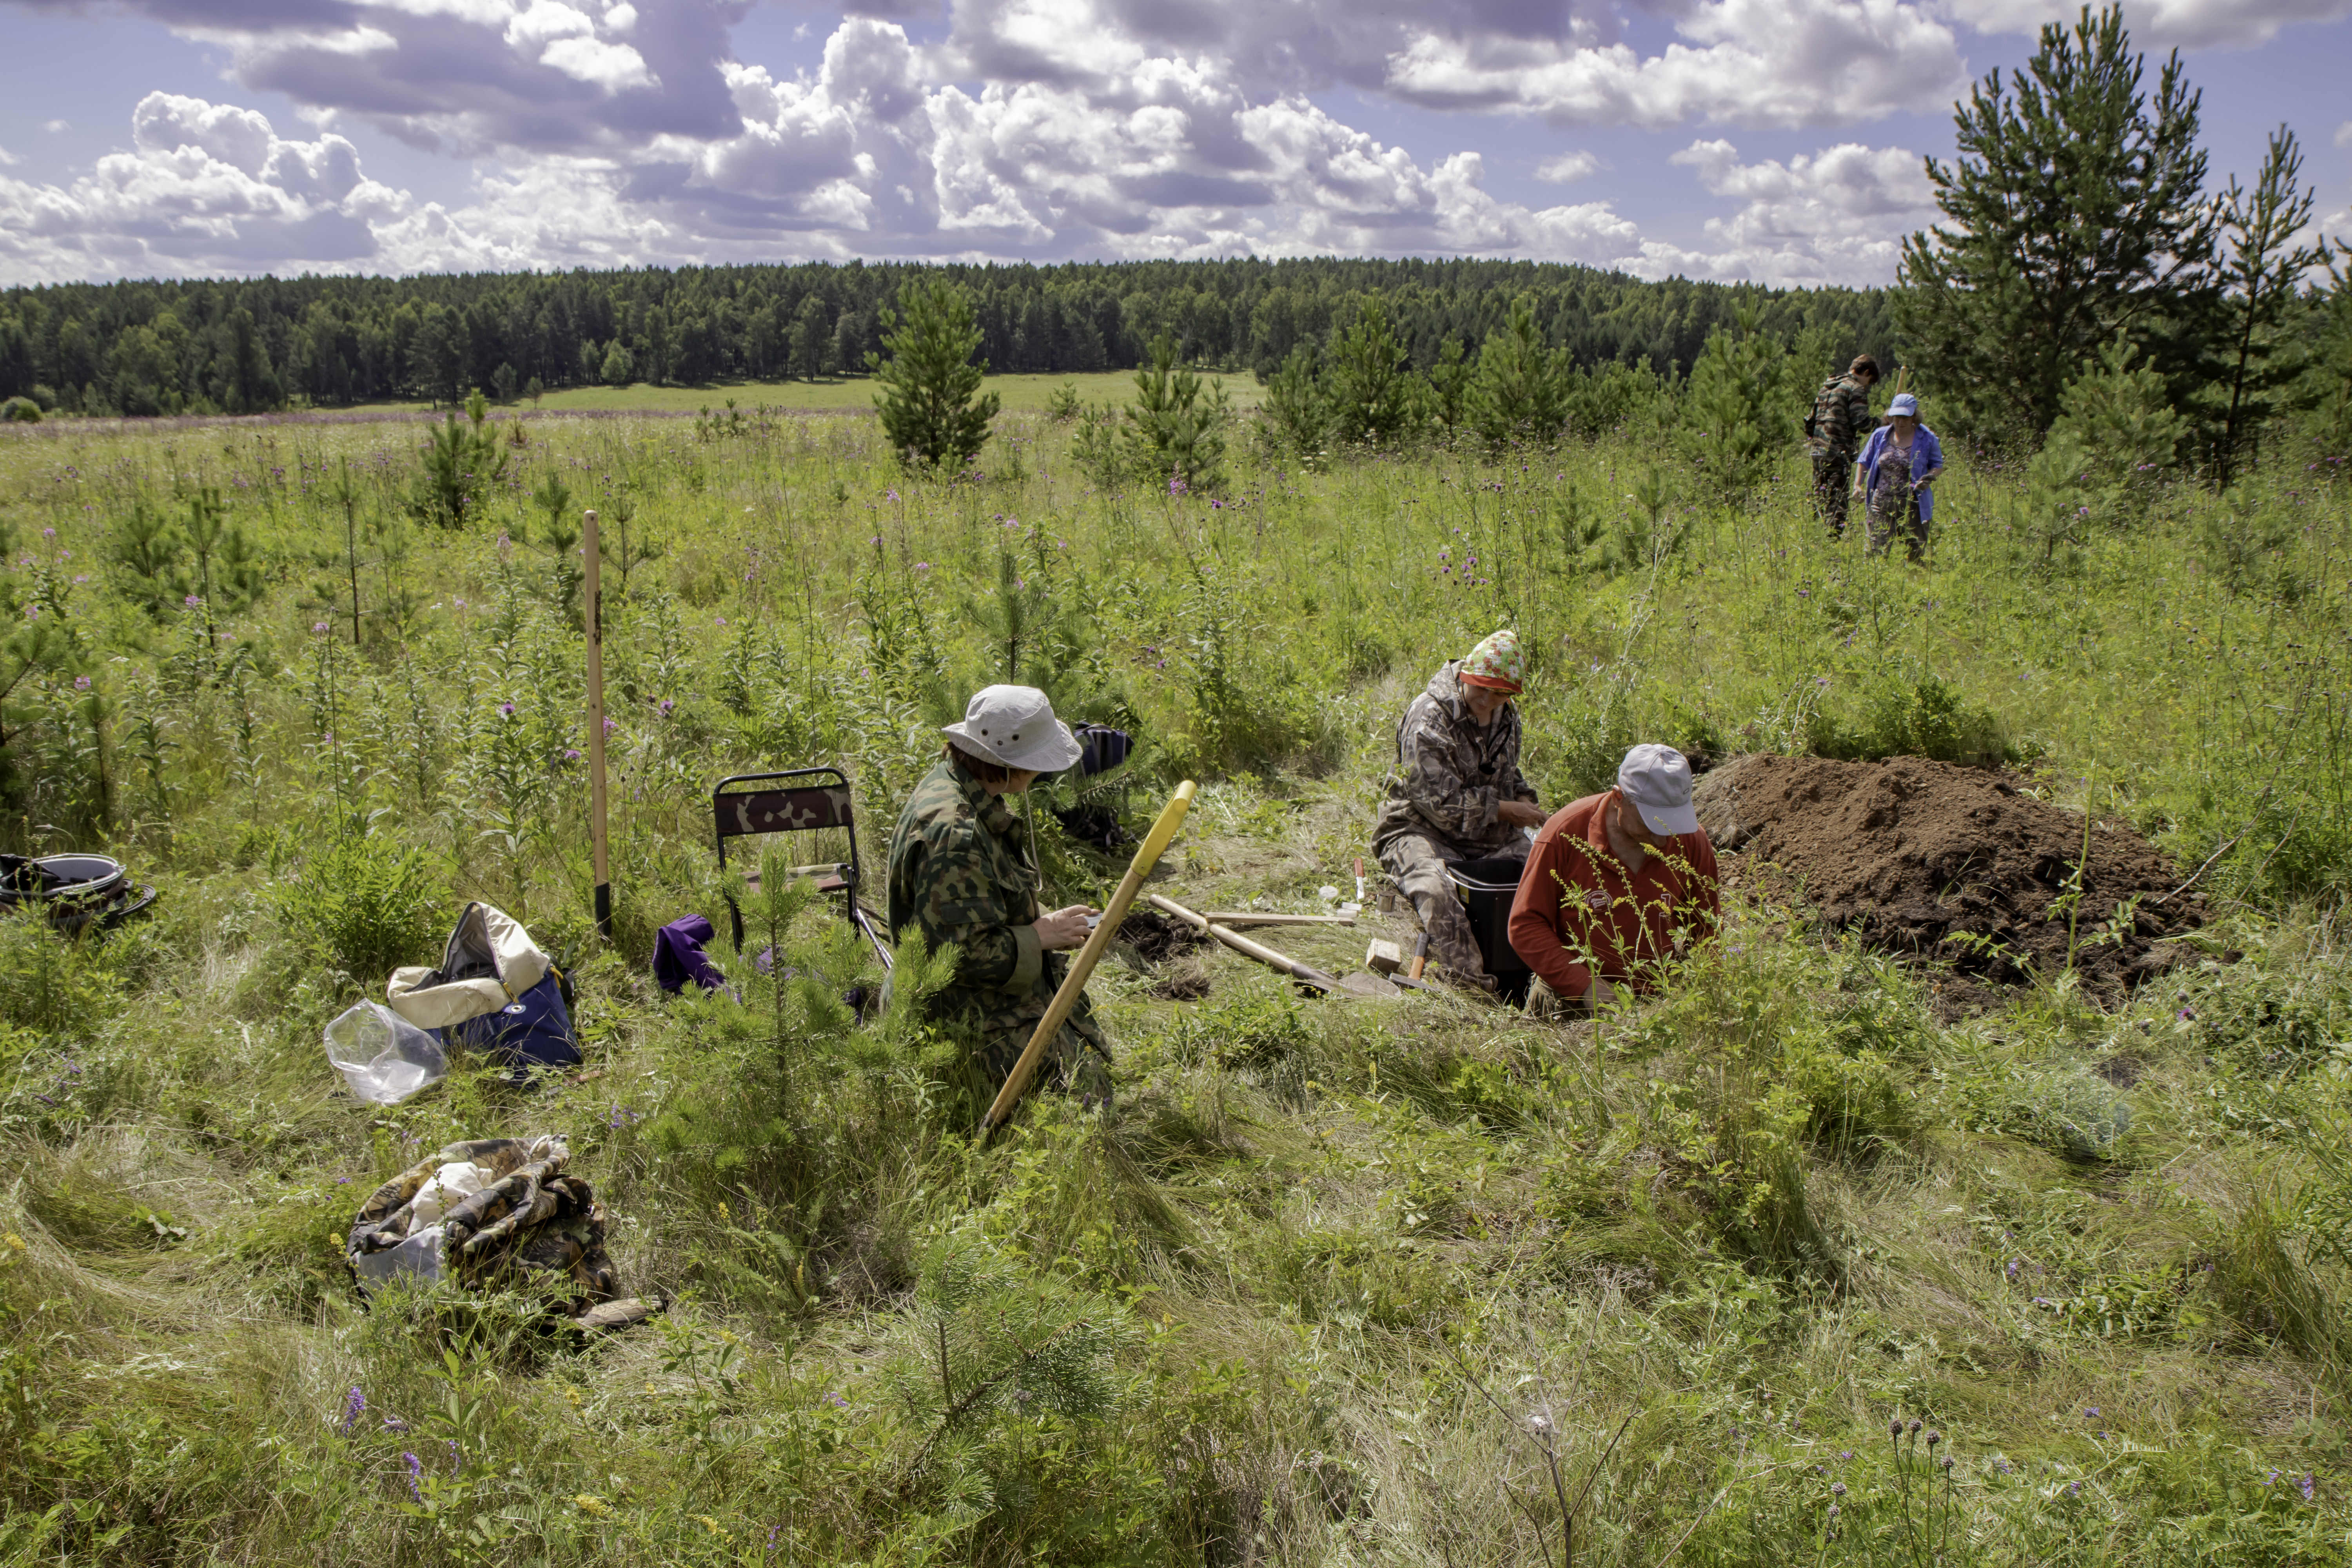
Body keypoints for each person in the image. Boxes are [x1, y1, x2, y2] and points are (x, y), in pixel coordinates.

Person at [886, 684, 1112, 1109]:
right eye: (1036, 763)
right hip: (956, 1016)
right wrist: (1040, 936)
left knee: (1083, 1054)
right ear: (1007, 764)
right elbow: (960, 954)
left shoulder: (957, 781)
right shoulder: (957, 837)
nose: (1041, 773)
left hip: (969, 994)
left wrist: (1041, 925)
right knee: (1087, 1102)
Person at [1372, 629, 1544, 991]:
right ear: (1465, 674)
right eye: (1480, 686)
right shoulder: (1429, 718)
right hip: (1419, 828)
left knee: (1543, 876)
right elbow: (1438, 804)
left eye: (1499, 693)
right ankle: (1474, 995)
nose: (1486, 698)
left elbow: (1507, 772)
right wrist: (1505, 810)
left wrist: (1525, 801)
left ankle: (1543, 980)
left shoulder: (1506, 719)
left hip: (1487, 831)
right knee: (1437, 893)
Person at [1508, 743, 1720, 1018]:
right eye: (1652, 824)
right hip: (1570, 999)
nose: (1663, 839)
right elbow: (1525, 925)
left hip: (1659, 1004)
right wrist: (1585, 985)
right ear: (1619, 798)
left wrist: (1704, 998)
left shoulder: (1690, 840)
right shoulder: (1565, 833)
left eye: (1671, 823)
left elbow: (1706, 929)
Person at [1852, 392, 1945, 562]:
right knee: (1875, 553)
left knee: (1915, 554)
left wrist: (1928, 478)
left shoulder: (1927, 438)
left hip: (1912, 504)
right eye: (1896, 418)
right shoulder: (1880, 436)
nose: (1900, 422)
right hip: (1881, 501)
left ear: (1914, 417)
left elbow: (1937, 465)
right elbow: (1864, 461)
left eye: (1905, 418)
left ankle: (1915, 583)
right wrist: (1857, 485)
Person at [1805, 354, 1880, 537]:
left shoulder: (1826, 387)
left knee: (1820, 499)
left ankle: (1816, 540)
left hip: (1818, 453)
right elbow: (1862, 424)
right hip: (1838, 454)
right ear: (1867, 373)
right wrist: (1881, 422)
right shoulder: (1855, 389)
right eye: (1869, 382)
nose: (1867, 387)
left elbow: (1809, 424)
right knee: (1836, 502)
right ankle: (1832, 543)